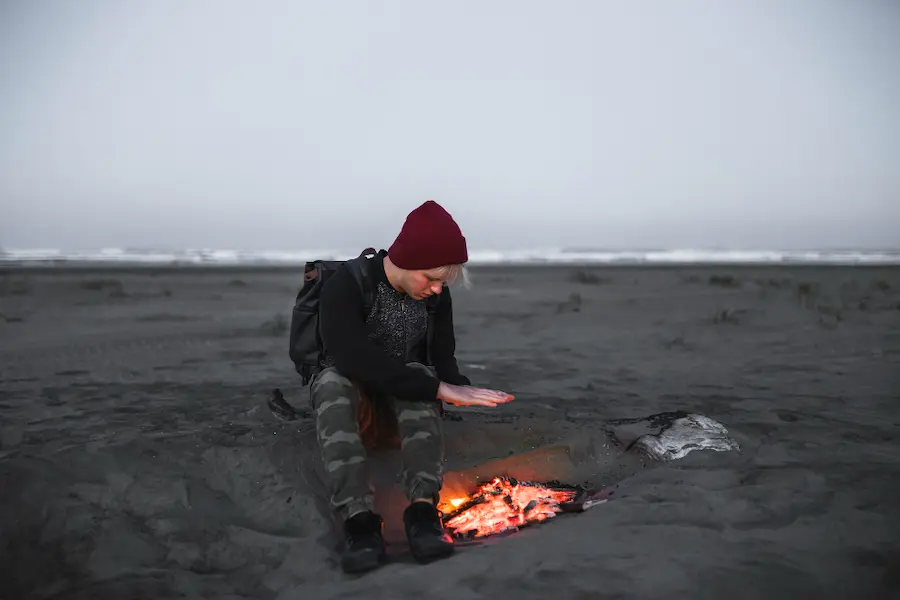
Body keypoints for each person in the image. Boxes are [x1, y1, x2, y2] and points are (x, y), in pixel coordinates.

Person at [312, 200, 514, 573]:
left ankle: (422, 513)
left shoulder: (435, 299)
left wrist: (462, 390)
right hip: (352, 399)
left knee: (421, 372)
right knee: (330, 379)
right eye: (432, 278)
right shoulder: (347, 285)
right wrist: (437, 389)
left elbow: (443, 358)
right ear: (406, 259)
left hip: (402, 400)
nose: (437, 289)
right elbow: (351, 356)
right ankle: (359, 521)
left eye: (443, 282)